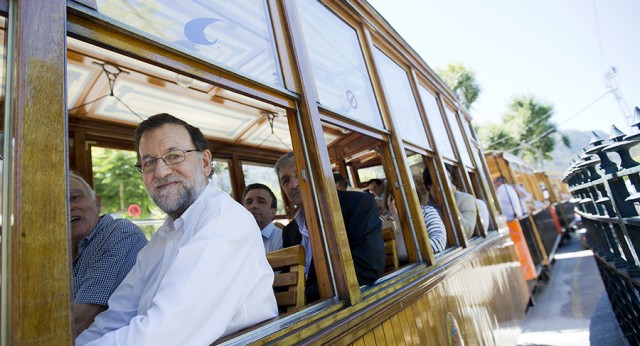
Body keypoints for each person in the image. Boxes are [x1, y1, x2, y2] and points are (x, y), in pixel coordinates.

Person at [77, 113, 277, 345]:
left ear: (204, 163)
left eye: (174, 155)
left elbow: (166, 336)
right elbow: (115, 317)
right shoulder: (162, 238)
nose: (160, 172)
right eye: (149, 162)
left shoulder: (225, 220)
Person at [275, 152, 385, 302]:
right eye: (286, 180)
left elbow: (368, 268)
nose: (293, 185)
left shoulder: (358, 205)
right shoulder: (289, 231)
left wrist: (305, 297)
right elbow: (289, 280)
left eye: (299, 174)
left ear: (317, 173)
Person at [70, 172, 148, 337]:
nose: (67, 207)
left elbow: (81, 319)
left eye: (74, 197)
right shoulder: (63, 251)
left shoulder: (119, 233)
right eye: (55, 202)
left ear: (97, 203)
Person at [423, 168, 477, 238]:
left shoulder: (465, 199)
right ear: (429, 184)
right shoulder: (422, 205)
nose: (448, 183)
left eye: (449, 178)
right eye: (442, 180)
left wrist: (448, 200)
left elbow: (467, 233)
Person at [243, 183, 283, 252]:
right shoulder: (239, 240)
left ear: (273, 212)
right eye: (249, 202)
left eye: (261, 201)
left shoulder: (282, 238)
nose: (253, 206)